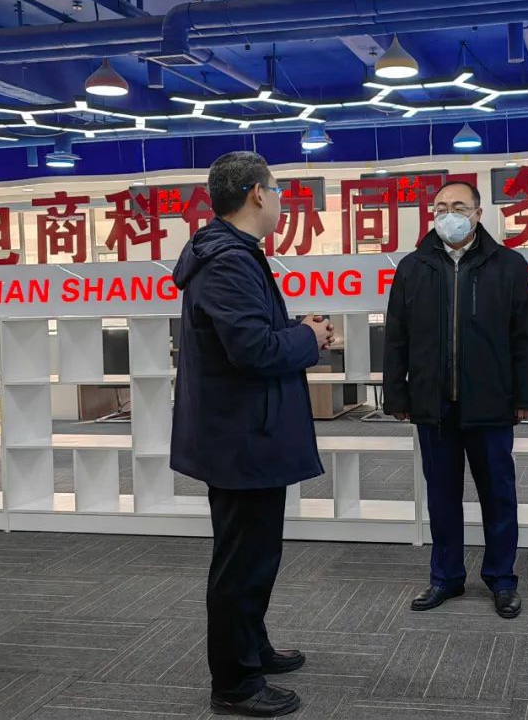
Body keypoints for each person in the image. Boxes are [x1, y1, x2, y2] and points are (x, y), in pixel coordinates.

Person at [171, 151, 334, 718]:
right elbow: (253, 350)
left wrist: (299, 330)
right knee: (241, 562)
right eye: (278, 189)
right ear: (258, 194)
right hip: (241, 440)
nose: (282, 199)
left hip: (247, 433)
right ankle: (235, 682)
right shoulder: (227, 261)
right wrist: (308, 339)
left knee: (258, 555)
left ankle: (253, 648)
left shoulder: (233, 253)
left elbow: (252, 333)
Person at [382, 180, 528, 619]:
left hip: (491, 402)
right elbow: (396, 336)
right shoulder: (413, 266)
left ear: (477, 214)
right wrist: (396, 393)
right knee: (442, 496)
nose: (448, 214)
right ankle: (446, 577)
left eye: (458, 207)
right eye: (440, 207)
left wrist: (527, 394)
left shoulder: (508, 265)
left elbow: (526, 336)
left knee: (498, 495)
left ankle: (502, 579)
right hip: (432, 404)